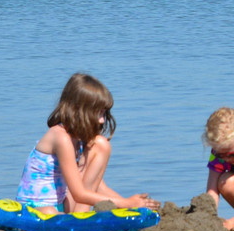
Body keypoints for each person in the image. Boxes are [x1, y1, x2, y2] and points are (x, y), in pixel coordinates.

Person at [16, 73, 158, 214]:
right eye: (99, 113)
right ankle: (72, 218)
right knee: (49, 212)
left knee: (101, 144)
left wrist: (132, 206)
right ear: (80, 110)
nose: (102, 120)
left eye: (104, 113)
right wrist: (125, 203)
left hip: (63, 204)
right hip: (35, 206)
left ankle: (79, 216)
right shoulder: (60, 137)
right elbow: (78, 194)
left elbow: (98, 186)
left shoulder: (79, 139)